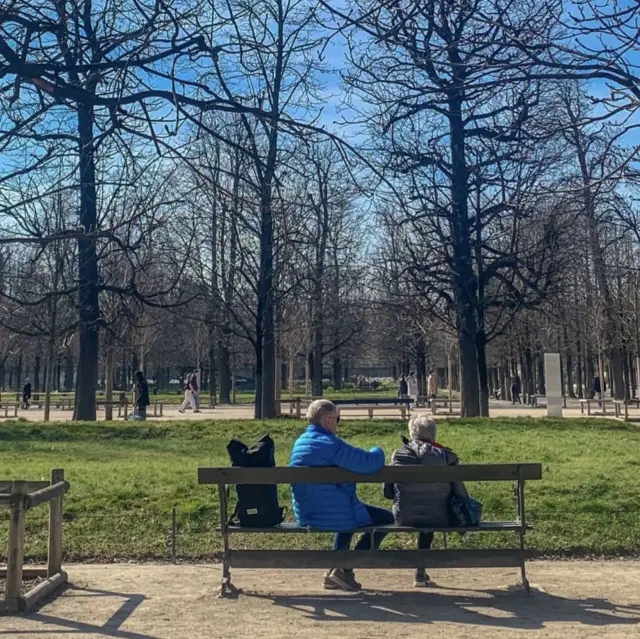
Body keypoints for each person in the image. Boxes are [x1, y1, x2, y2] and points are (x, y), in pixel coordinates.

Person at [289, 399, 392, 592]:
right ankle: (345, 568)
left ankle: (338, 572)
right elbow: (368, 463)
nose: (338, 423)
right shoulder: (329, 444)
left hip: (307, 512)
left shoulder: (301, 442)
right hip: (330, 512)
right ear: (328, 421)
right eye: (338, 419)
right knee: (387, 519)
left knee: (346, 511)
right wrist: (378, 450)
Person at [384, 414, 468, 587]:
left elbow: (388, 493)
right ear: (433, 434)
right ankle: (420, 572)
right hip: (440, 516)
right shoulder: (447, 456)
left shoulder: (398, 455)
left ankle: (420, 573)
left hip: (404, 516)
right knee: (431, 511)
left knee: (422, 509)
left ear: (412, 432)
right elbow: (461, 493)